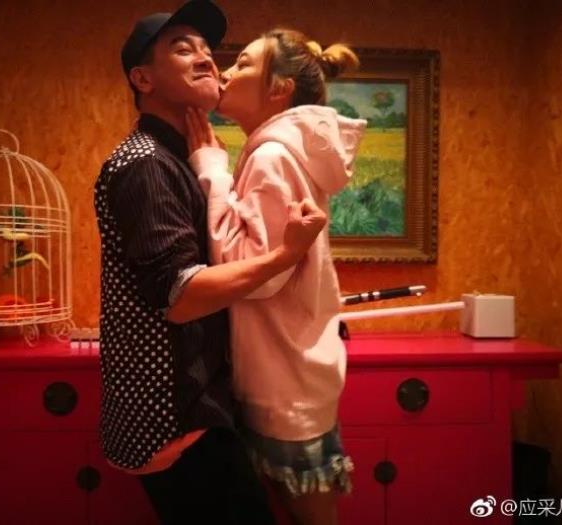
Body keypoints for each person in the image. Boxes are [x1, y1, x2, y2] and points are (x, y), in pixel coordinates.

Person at [93, 3, 328, 524]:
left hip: (195, 404)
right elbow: (182, 297)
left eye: (207, 50)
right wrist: (286, 256)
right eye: (183, 49)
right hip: (175, 416)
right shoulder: (145, 164)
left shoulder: (181, 158)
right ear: (142, 79)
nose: (207, 59)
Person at [185, 27, 367, 525]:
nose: (225, 72)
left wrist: (212, 172)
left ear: (279, 89)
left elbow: (253, 271)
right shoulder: (281, 152)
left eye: (244, 64)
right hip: (292, 374)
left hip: (284, 384)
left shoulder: (271, 156)